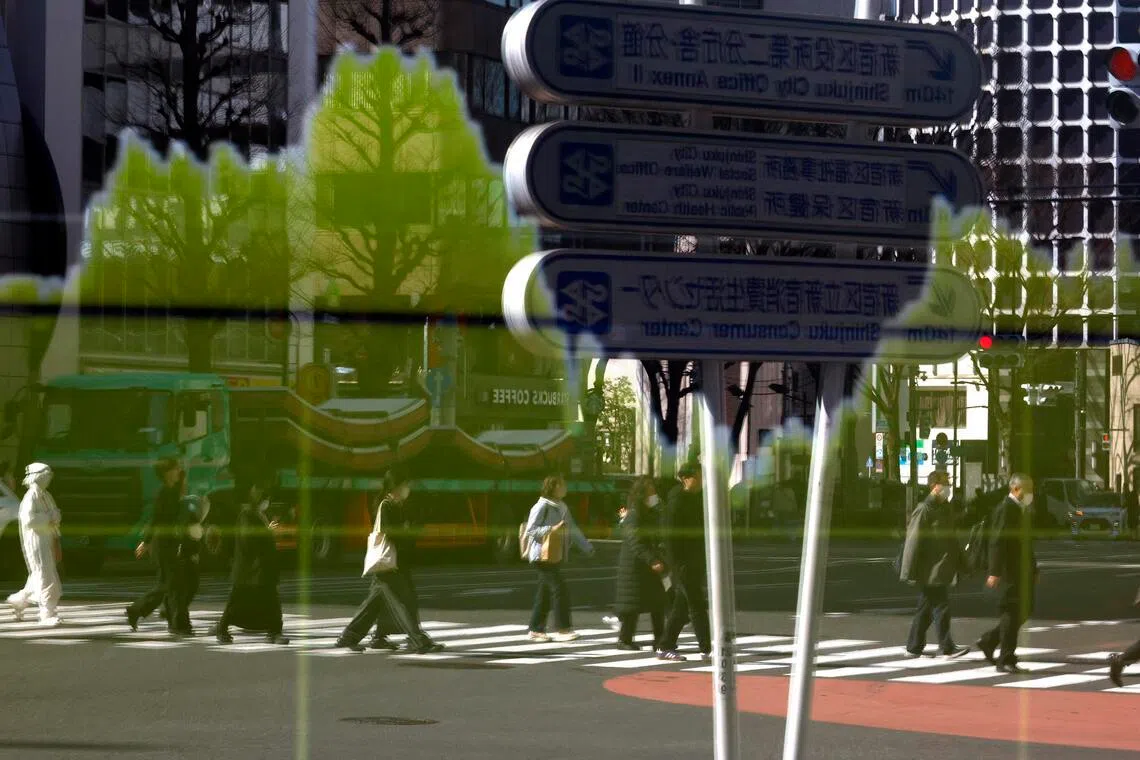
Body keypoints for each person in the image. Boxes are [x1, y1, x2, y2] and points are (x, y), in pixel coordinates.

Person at [336, 467, 443, 654]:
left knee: (374, 604)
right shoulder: (385, 505)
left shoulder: (397, 505)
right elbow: (391, 532)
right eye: (405, 485)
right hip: (390, 564)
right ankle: (417, 641)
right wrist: (407, 529)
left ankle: (354, 637)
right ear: (396, 486)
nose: (408, 489)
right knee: (404, 601)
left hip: (393, 563)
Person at [898, 471, 969, 659]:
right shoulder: (924, 509)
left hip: (941, 567)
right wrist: (907, 571)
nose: (948, 487)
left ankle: (913, 647)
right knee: (941, 607)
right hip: (930, 569)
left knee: (925, 609)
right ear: (934, 486)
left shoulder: (945, 509)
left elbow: (951, 540)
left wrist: (963, 564)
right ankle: (946, 647)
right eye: (945, 483)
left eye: (949, 482)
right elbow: (912, 541)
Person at [975, 473, 1038, 673]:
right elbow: (997, 542)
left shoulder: (1020, 509)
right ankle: (1006, 658)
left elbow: (1026, 543)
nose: (1031, 494)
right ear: (1016, 489)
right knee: (1012, 611)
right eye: (1028, 489)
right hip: (1009, 571)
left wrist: (1034, 568)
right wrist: (994, 571)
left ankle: (989, 641)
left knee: (1023, 610)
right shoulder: (1006, 509)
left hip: (1021, 569)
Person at [216, 481, 289, 645]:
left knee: (270, 600)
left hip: (258, 568)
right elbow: (249, 539)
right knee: (237, 601)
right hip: (250, 568)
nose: (262, 495)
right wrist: (268, 533)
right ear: (250, 492)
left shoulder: (256, 513)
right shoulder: (246, 514)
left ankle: (274, 631)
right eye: (257, 489)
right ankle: (222, 628)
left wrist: (267, 531)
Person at [126, 458, 194, 637]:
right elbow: (155, 519)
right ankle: (138, 610)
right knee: (169, 585)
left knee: (173, 585)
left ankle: (178, 625)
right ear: (167, 473)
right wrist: (146, 541)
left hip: (170, 542)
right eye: (175, 468)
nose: (179, 470)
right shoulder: (164, 493)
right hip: (161, 544)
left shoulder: (173, 490)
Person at [524, 473, 594, 642]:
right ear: (554, 487)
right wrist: (552, 528)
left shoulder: (561, 506)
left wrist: (586, 546)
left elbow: (572, 528)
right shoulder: (541, 506)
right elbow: (531, 530)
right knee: (559, 589)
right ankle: (563, 628)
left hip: (554, 555)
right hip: (541, 555)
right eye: (562, 484)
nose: (565, 487)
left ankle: (535, 629)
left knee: (545, 593)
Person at [656, 462, 712, 662]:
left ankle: (665, 645)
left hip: (694, 558)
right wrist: (676, 564)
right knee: (696, 602)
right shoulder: (677, 500)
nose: (701, 480)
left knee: (682, 606)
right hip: (683, 562)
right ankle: (707, 648)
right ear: (685, 478)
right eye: (698, 476)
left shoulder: (695, 498)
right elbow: (670, 536)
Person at [613, 477, 667, 651]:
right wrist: (652, 559)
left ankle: (660, 639)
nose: (654, 493)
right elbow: (635, 541)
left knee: (658, 603)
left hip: (646, 564)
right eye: (651, 490)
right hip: (635, 566)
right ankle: (625, 639)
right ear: (642, 493)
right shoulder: (635, 513)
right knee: (632, 606)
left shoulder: (650, 511)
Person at [6, 463, 62, 625]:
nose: (48, 478)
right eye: (46, 475)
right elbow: (29, 519)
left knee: (40, 574)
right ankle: (46, 614)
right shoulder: (31, 496)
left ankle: (19, 600)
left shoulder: (46, 495)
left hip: (48, 538)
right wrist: (49, 517)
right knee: (46, 577)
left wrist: (53, 522)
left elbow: (56, 514)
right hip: (36, 540)